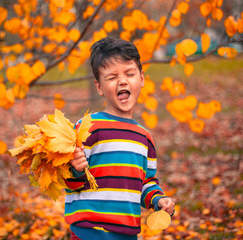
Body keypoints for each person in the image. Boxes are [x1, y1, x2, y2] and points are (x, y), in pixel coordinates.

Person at [64, 37, 175, 240]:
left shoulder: (144, 138)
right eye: (112, 77)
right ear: (99, 86)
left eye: (130, 74)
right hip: (89, 232)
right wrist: (75, 169)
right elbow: (65, 177)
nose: (122, 81)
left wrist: (158, 200)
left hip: (126, 234)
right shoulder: (88, 127)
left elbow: (145, 182)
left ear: (141, 78)